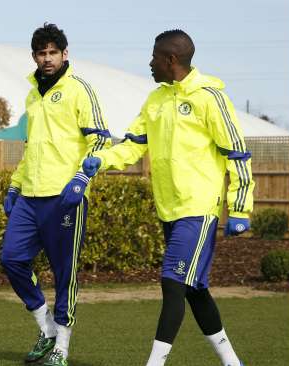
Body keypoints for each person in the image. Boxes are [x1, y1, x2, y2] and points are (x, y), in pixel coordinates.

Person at [82, 29, 253, 366]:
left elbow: (238, 154)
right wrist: (102, 159)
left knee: (172, 282)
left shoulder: (209, 98)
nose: (150, 62)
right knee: (194, 289)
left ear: (171, 60)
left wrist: (240, 208)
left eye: (154, 56)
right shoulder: (156, 100)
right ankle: (233, 363)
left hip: (198, 208)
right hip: (169, 210)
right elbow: (134, 144)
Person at [0, 23, 111, 366]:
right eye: (41, 53)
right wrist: (15, 184)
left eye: (53, 52)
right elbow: (32, 146)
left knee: (65, 273)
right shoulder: (32, 95)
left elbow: (101, 139)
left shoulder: (79, 90)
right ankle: (46, 327)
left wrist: (81, 178)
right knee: (11, 259)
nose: (47, 59)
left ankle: (61, 345)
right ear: (34, 56)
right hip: (30, 197)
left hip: (65, 197)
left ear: (65, 54)